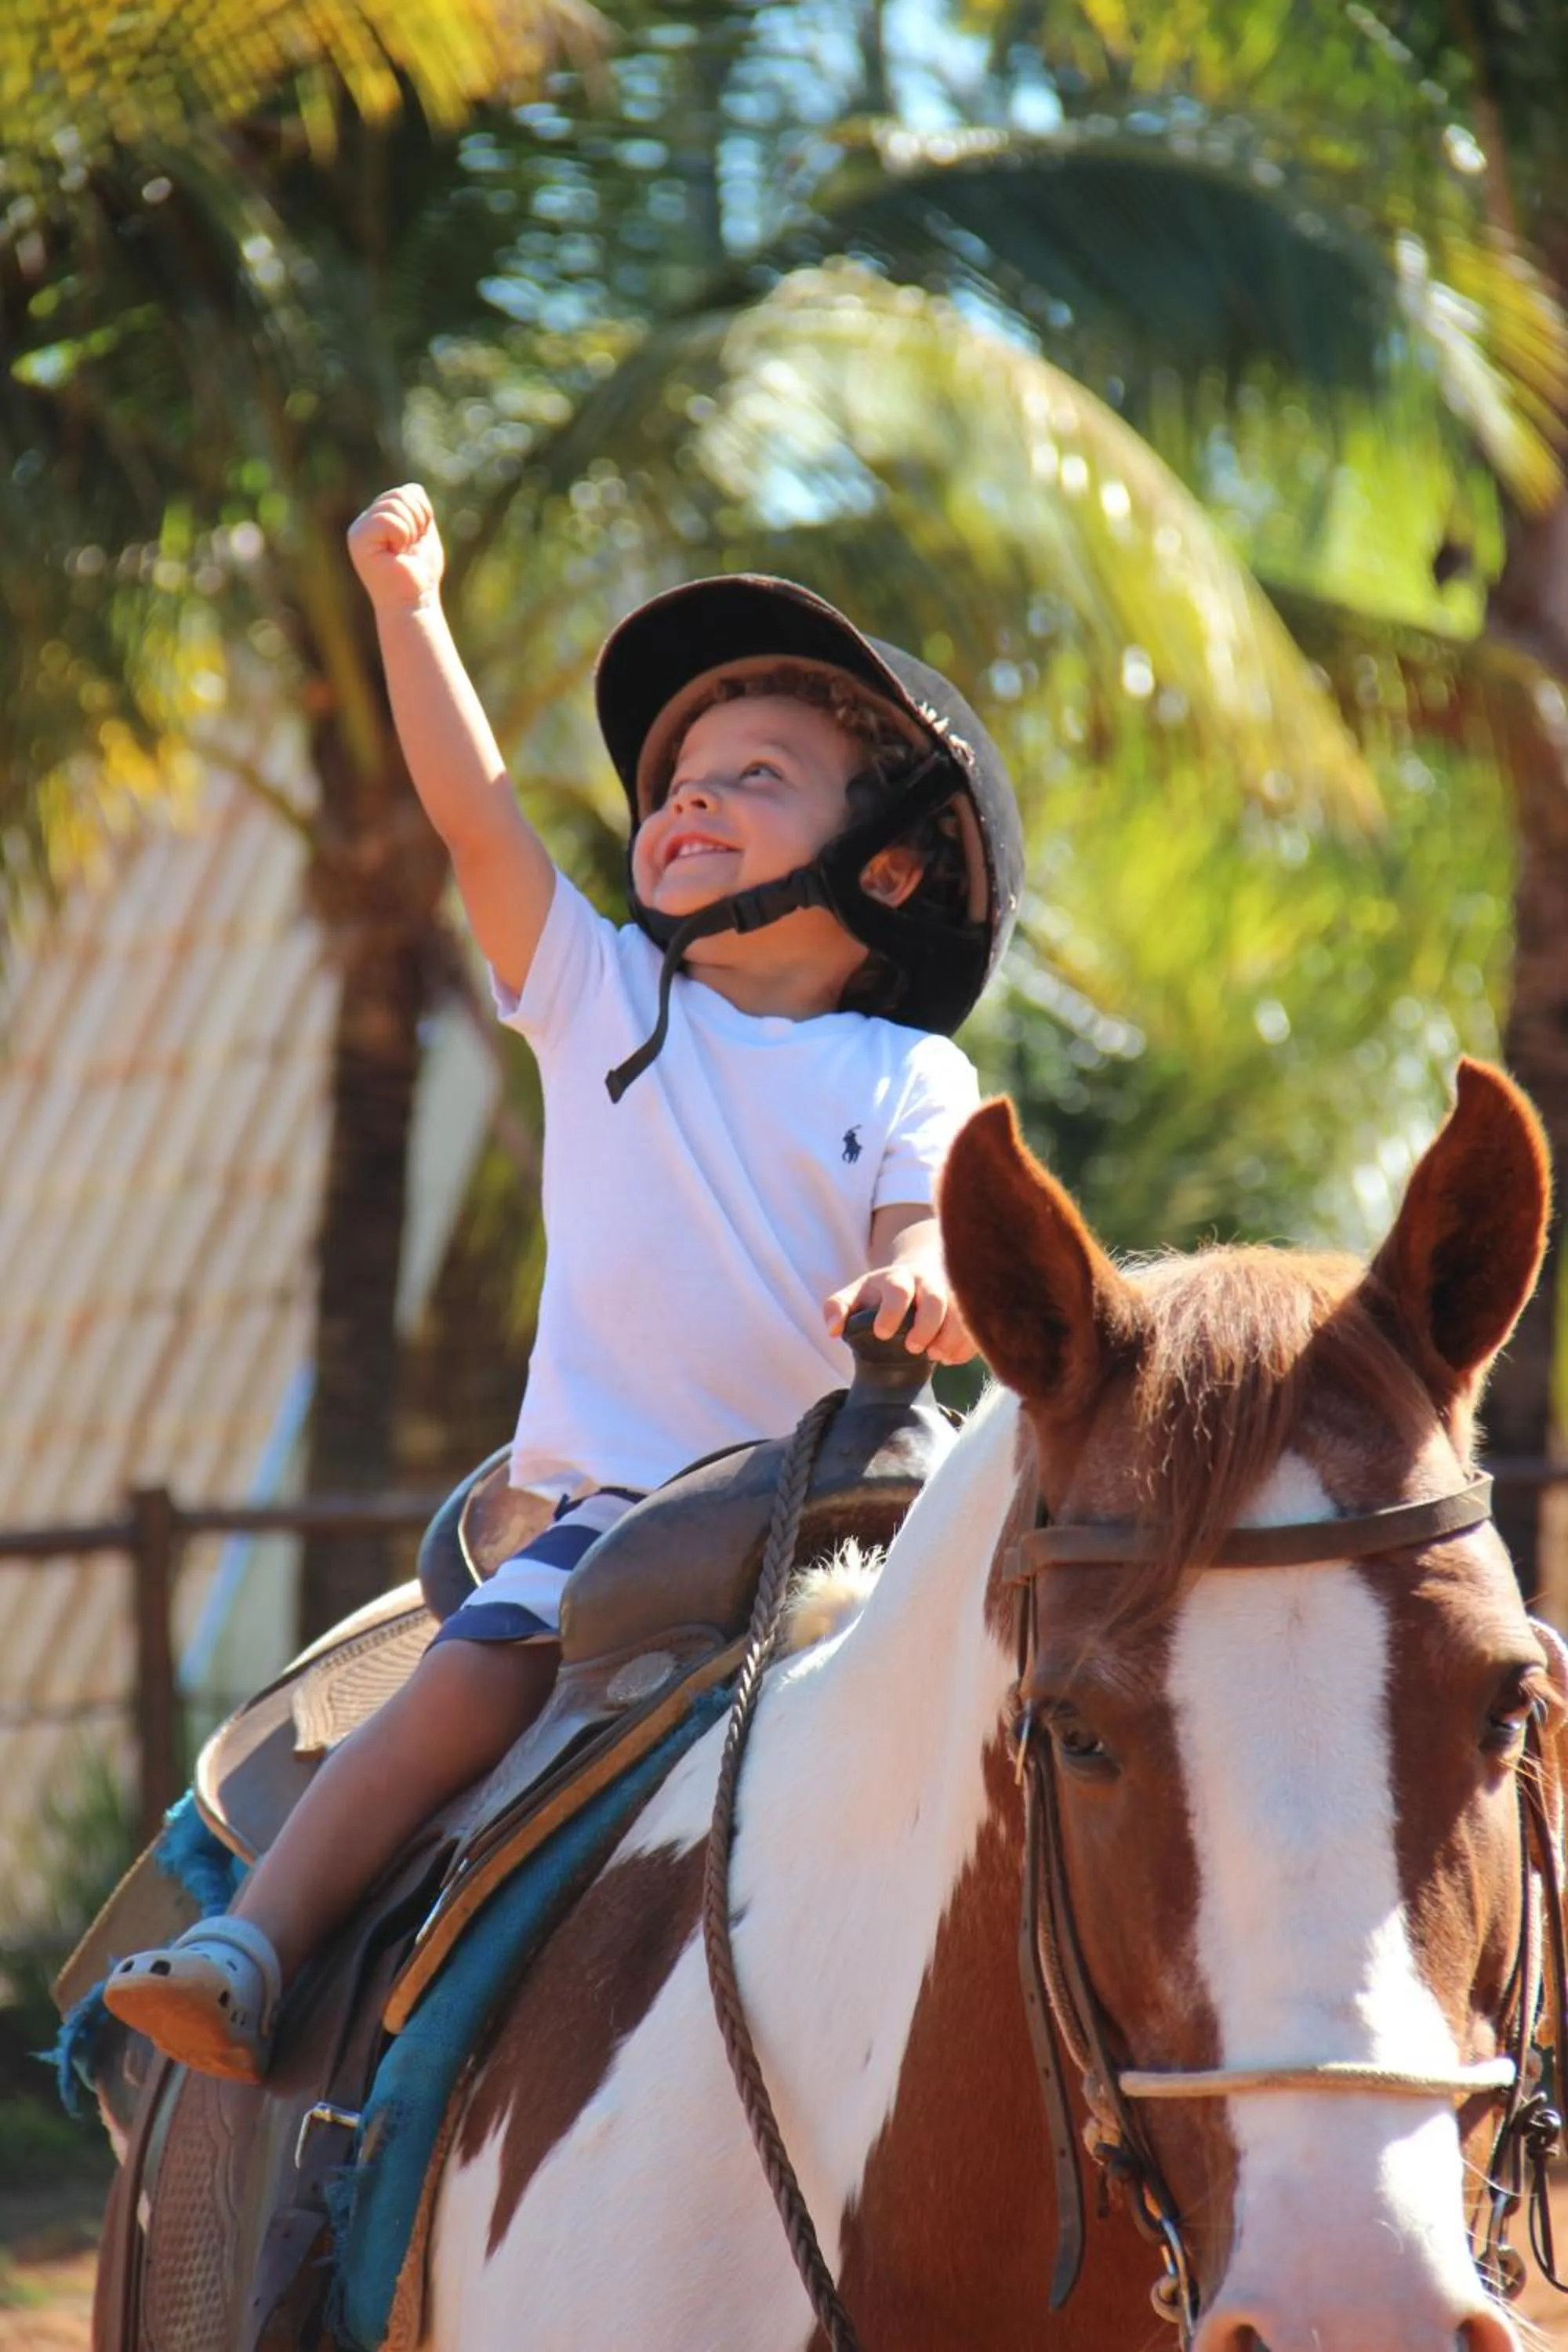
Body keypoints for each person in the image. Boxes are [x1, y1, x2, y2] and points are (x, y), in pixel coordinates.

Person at [102, 485, 1025, 2081]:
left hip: (847, 1506)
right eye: (675, 781)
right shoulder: (602, 998)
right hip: (624, 1512)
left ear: (886, 873)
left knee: (1047, 1671)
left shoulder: (907, 1071)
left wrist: (929, 1282)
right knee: (471, 1676)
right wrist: (408, 611)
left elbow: (926, 1223)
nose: (685, 800)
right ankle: (258, 1945)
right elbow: (476, 814)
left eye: (757, 777)